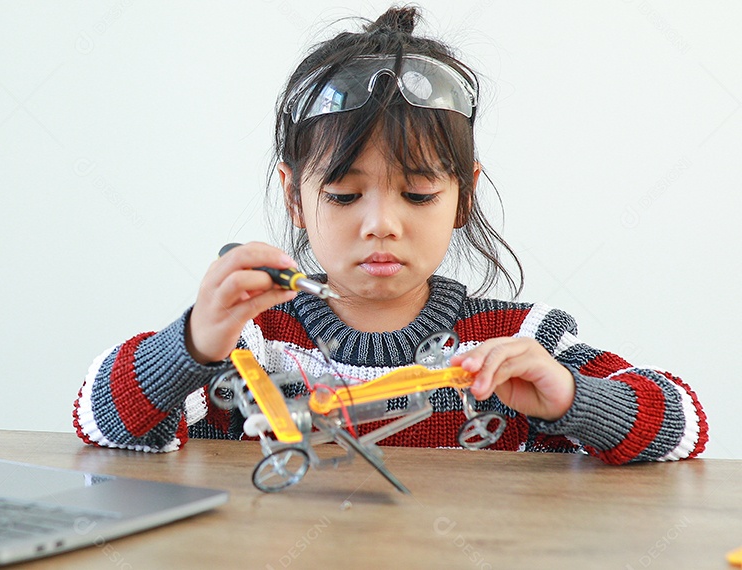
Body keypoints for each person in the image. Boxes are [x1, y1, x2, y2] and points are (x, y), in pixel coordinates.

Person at [72, 6, 707, 464]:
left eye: (420, 193)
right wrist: (192, 346)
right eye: (345, 195)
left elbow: (681, 423)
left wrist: (571, 398)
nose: (381, 223)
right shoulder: (253, 341)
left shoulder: (517, 342)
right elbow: (102, 421)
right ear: (295, 197)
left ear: (464, 196)